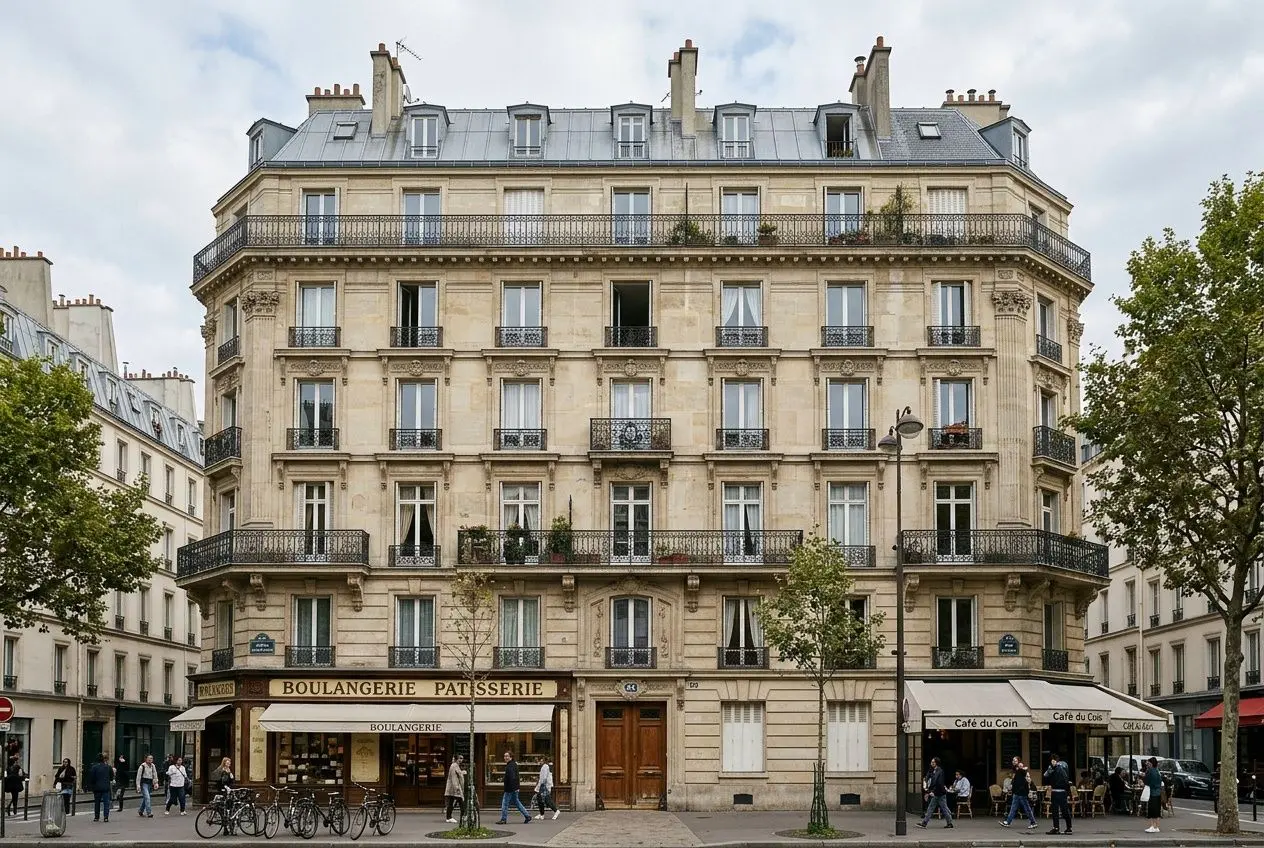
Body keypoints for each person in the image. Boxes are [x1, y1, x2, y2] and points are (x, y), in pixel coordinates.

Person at [999, 757, 1038, 830]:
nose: (1013, 761)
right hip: (1017, 792)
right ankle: (1008, 822)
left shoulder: (1021, 770)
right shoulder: (1015, 770)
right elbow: (1015, 776)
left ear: (1019, 762)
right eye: (1013, 760)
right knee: (1013, 808)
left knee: (1026, 808)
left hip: (1022, 792)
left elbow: (1025, 775)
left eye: (1015, 760)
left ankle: (1033, 822)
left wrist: (1023, 769)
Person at [914, 757, 953, 829]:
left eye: (933, 762)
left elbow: (938, 783)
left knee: (941, 808)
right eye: (931, 762)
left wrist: (932, 791)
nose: (931, 763)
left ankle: (949, 822)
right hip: (938, 793)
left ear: (936, 763)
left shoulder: (939, 771)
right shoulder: (935, 770)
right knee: (933, 808)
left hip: (939, 793)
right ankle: (925, 823)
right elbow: (933, 781)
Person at [495, 751, 531, 825]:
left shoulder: (510, 766)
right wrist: (516, 787)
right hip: (514, 787)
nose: (505, 758)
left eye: (507, 756)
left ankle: (503, 819)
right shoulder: (514, 764)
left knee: (505, 803)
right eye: (504, 756)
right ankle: (527, 816)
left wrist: (512, 787)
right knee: (517, 802)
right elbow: (516, 777)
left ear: (511, 757)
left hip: (510, 788)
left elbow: (512, 777)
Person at [1044, 753, 1072, 835]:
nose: (1053, 762)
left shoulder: (1062, 767)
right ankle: (1057, 827)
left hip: (1061, 791)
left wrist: (1054, 768)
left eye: (1054, 761)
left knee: (1064, 811)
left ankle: (1068, 827)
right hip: (1056, 791)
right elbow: (1045, 775)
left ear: (1057, 761)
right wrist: (1051, 768)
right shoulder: (1052, 768)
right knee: (1055, 811)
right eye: (1052, 761)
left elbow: (1065, 778)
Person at [86, 753, 114, 822]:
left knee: (97, 803)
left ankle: (96, 817)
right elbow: (111, 777)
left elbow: (92, 778)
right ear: (103, 759)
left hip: (97, 787)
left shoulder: (94, 767)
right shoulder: (108, 767)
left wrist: (92, 786)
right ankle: (106, 817)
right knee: (106, 803)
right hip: (106, 787)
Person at [1143, 756, 1164, 833]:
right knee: (1157, 810)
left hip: (1152, 792)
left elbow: (1147, 781)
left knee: (1151, 810)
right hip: (1158, 792)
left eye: (1148, 763)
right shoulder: (1157, 771)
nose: (1147, 764)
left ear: (1151, 764)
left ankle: (1152, 826)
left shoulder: (1150, 771)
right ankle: (1156, 826)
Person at [444, 755, 466, 824]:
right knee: (461, 802)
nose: (461, 760)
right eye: (460, 758)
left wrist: (462, 772)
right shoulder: (454, 766)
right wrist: (456, 788)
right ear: (456, 759)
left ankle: (449, 817)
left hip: (454, 788)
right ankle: (463, 817)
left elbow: (457, 774)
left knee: (451, 802)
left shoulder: (455, 765)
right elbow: (453, 777)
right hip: (455, 788)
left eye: (462, 758)